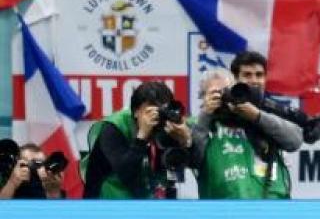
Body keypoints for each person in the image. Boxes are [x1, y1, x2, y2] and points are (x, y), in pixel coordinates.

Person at [190, 54, 304, 199]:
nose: (254, 81)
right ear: (234, 82)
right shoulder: (204, 121)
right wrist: (206, 114)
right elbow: (192, 159)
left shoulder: (269, 113)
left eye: (259, 75)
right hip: (224, 211)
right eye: (247, 75)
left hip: (274, 207)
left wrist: (257, 116)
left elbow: (295, 141)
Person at [82, 82, 197, 199]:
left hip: (147, 202)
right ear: (136, 111)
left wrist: (185, 142)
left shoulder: (166, 126)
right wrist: (142, 136)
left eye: (162, 108)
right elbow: (127, 173)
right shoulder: (114, 128)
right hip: (105, 204)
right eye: (151, 108)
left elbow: (175, 175)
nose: (157, 115)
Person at [0, 143, 67, 200]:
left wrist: (52, 191)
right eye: (27, 164)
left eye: (39, 164)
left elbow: (58, 212)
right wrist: (12, 183)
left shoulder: (47, 186)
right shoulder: (9, 186)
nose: (33, 169)